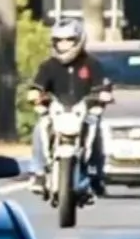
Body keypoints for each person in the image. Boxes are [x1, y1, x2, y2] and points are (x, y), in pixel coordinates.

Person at [26, 20, 110, 197]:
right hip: (56, 111)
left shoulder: (92, 64)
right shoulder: (48, 66)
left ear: (79, 40)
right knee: (39, 128)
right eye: (59, 41)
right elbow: (37, 86)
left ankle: (95, 173)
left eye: (69, 40)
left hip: (84, 111)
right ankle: (39, 173)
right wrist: (35, 94)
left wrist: (103, 95)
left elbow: (102, 85)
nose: (63, 45)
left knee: (95, 130)